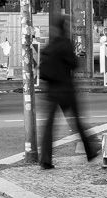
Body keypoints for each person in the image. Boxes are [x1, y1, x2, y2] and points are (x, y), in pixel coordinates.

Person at [36, 16, 100, 169]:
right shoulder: (65, 44)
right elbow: (74, 63)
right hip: (65, 89)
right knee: (77, 121)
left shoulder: (49, 46)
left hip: (51, 91)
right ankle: (90, 151)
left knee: (49, 126)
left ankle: (45, 159)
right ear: (65, 27)